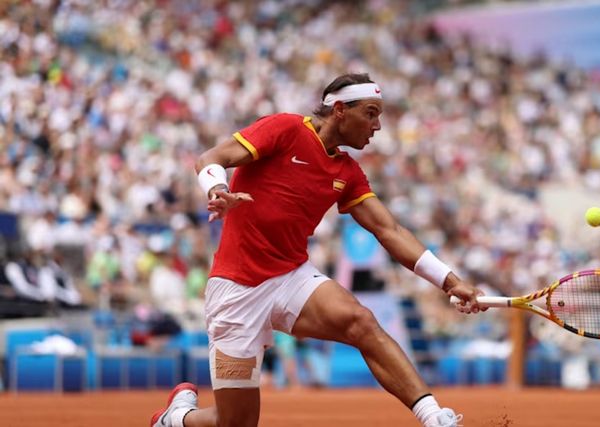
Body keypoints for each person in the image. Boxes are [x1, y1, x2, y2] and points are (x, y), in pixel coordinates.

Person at [151, 73, 484, 427]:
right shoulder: (285, 129)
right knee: (234, 423)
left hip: (290, 277)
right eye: (371, 114)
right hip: (236, 289)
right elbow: (210, 158)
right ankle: (178, 419)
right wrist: (217, 189)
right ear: (340, 110)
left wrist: (450, 281)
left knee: (361, 321)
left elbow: (390, 230)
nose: (378, 126)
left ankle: (434, 417)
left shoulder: (348, 171)